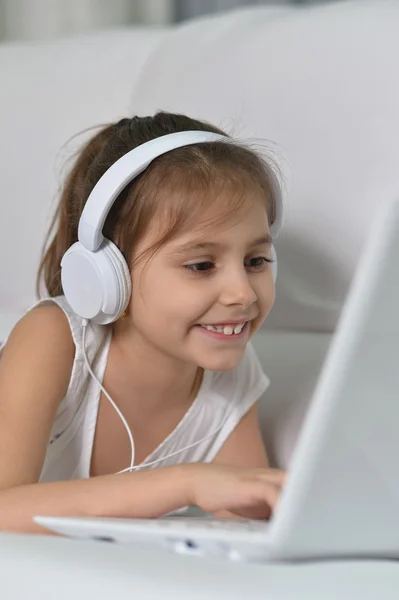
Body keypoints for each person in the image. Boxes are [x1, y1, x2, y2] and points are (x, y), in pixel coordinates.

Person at [0, 112, 285, 534]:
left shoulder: (233, 372)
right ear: (107, 277)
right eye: (201, 265)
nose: (242, 293)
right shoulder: (54, 339)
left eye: (256, 261)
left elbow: (245, 520)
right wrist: (185, 483)